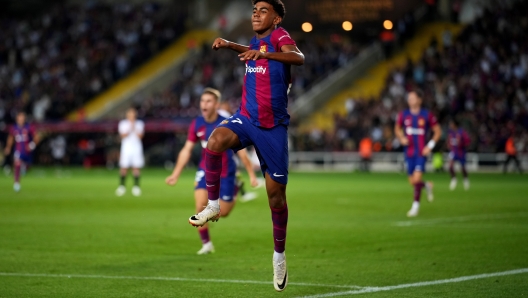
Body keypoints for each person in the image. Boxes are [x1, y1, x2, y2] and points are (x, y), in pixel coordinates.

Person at [188, 0, 304, 291]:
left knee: (275, 197)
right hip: (246, 117)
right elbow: (255, 52)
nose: (256, 13)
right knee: (213, 141)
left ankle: (279, 256)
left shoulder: (280, 37)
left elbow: (298, 57)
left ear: (276, 18)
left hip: (273, 128)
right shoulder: (257, 41)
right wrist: (230, 45)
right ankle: (213, 205)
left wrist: (263, 52)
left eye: (263, 10)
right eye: (254, 9)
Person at [165, 88, 258, 254]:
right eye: (202, 101)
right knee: (200, 207)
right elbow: (186, 150)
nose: (204, 104)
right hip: (205, 170)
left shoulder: (227, 124)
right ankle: (206, 244)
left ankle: (235, 186)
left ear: (216, 104)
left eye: (208, 101)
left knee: (224, 212)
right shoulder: (197, 124)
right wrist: (175, 174)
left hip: (226, 172)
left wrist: (251, 175)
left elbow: (241, 151)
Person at [395, 89, 442, 217]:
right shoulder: (403, 115)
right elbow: (397, 128)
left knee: (416, 179)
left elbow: (438, 131)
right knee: (412, 181)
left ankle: (415, 207)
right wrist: (401, 138)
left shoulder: (427, 115)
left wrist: (430, 146)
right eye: (409, 98)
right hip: (409, 152)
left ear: (419, 100)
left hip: (421, 152)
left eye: (412, 98)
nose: (410, 100)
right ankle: (427, 185)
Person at [4, 111, 39, 192]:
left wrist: (31, 145)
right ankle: (16, 183)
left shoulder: (29, 127)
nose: (21, 119)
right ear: (17, 119)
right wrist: (8, 148)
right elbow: (11, 138)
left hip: (27, 151)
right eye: (20, 117)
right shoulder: (14, 128)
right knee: (17, 164)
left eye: (22, 118)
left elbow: (37, 137)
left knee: (28, 167)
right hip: (18, 150)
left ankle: (24, 168)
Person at [116, 107, 144, 197]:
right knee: (124, 167)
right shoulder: (123, 124)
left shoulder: (139, 124)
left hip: (136, 148)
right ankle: (122, 186)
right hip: (126, 148)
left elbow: (140, 136)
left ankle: (136, 187)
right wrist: (130, 127)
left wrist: (134, 127)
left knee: (136, 167)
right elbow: (123, 135)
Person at [447, 119, 471, 190]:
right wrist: (449, 144)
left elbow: (468, 141)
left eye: (451, 124)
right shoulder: (451, 132)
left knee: (463, 168)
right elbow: (449, 140)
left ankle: (465, 179)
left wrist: (461, 144)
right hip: (453, 152)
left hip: (461, 152)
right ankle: (454, 179)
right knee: (450, 166)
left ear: (455, 124)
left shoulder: (462, 132)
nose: (450, 125)